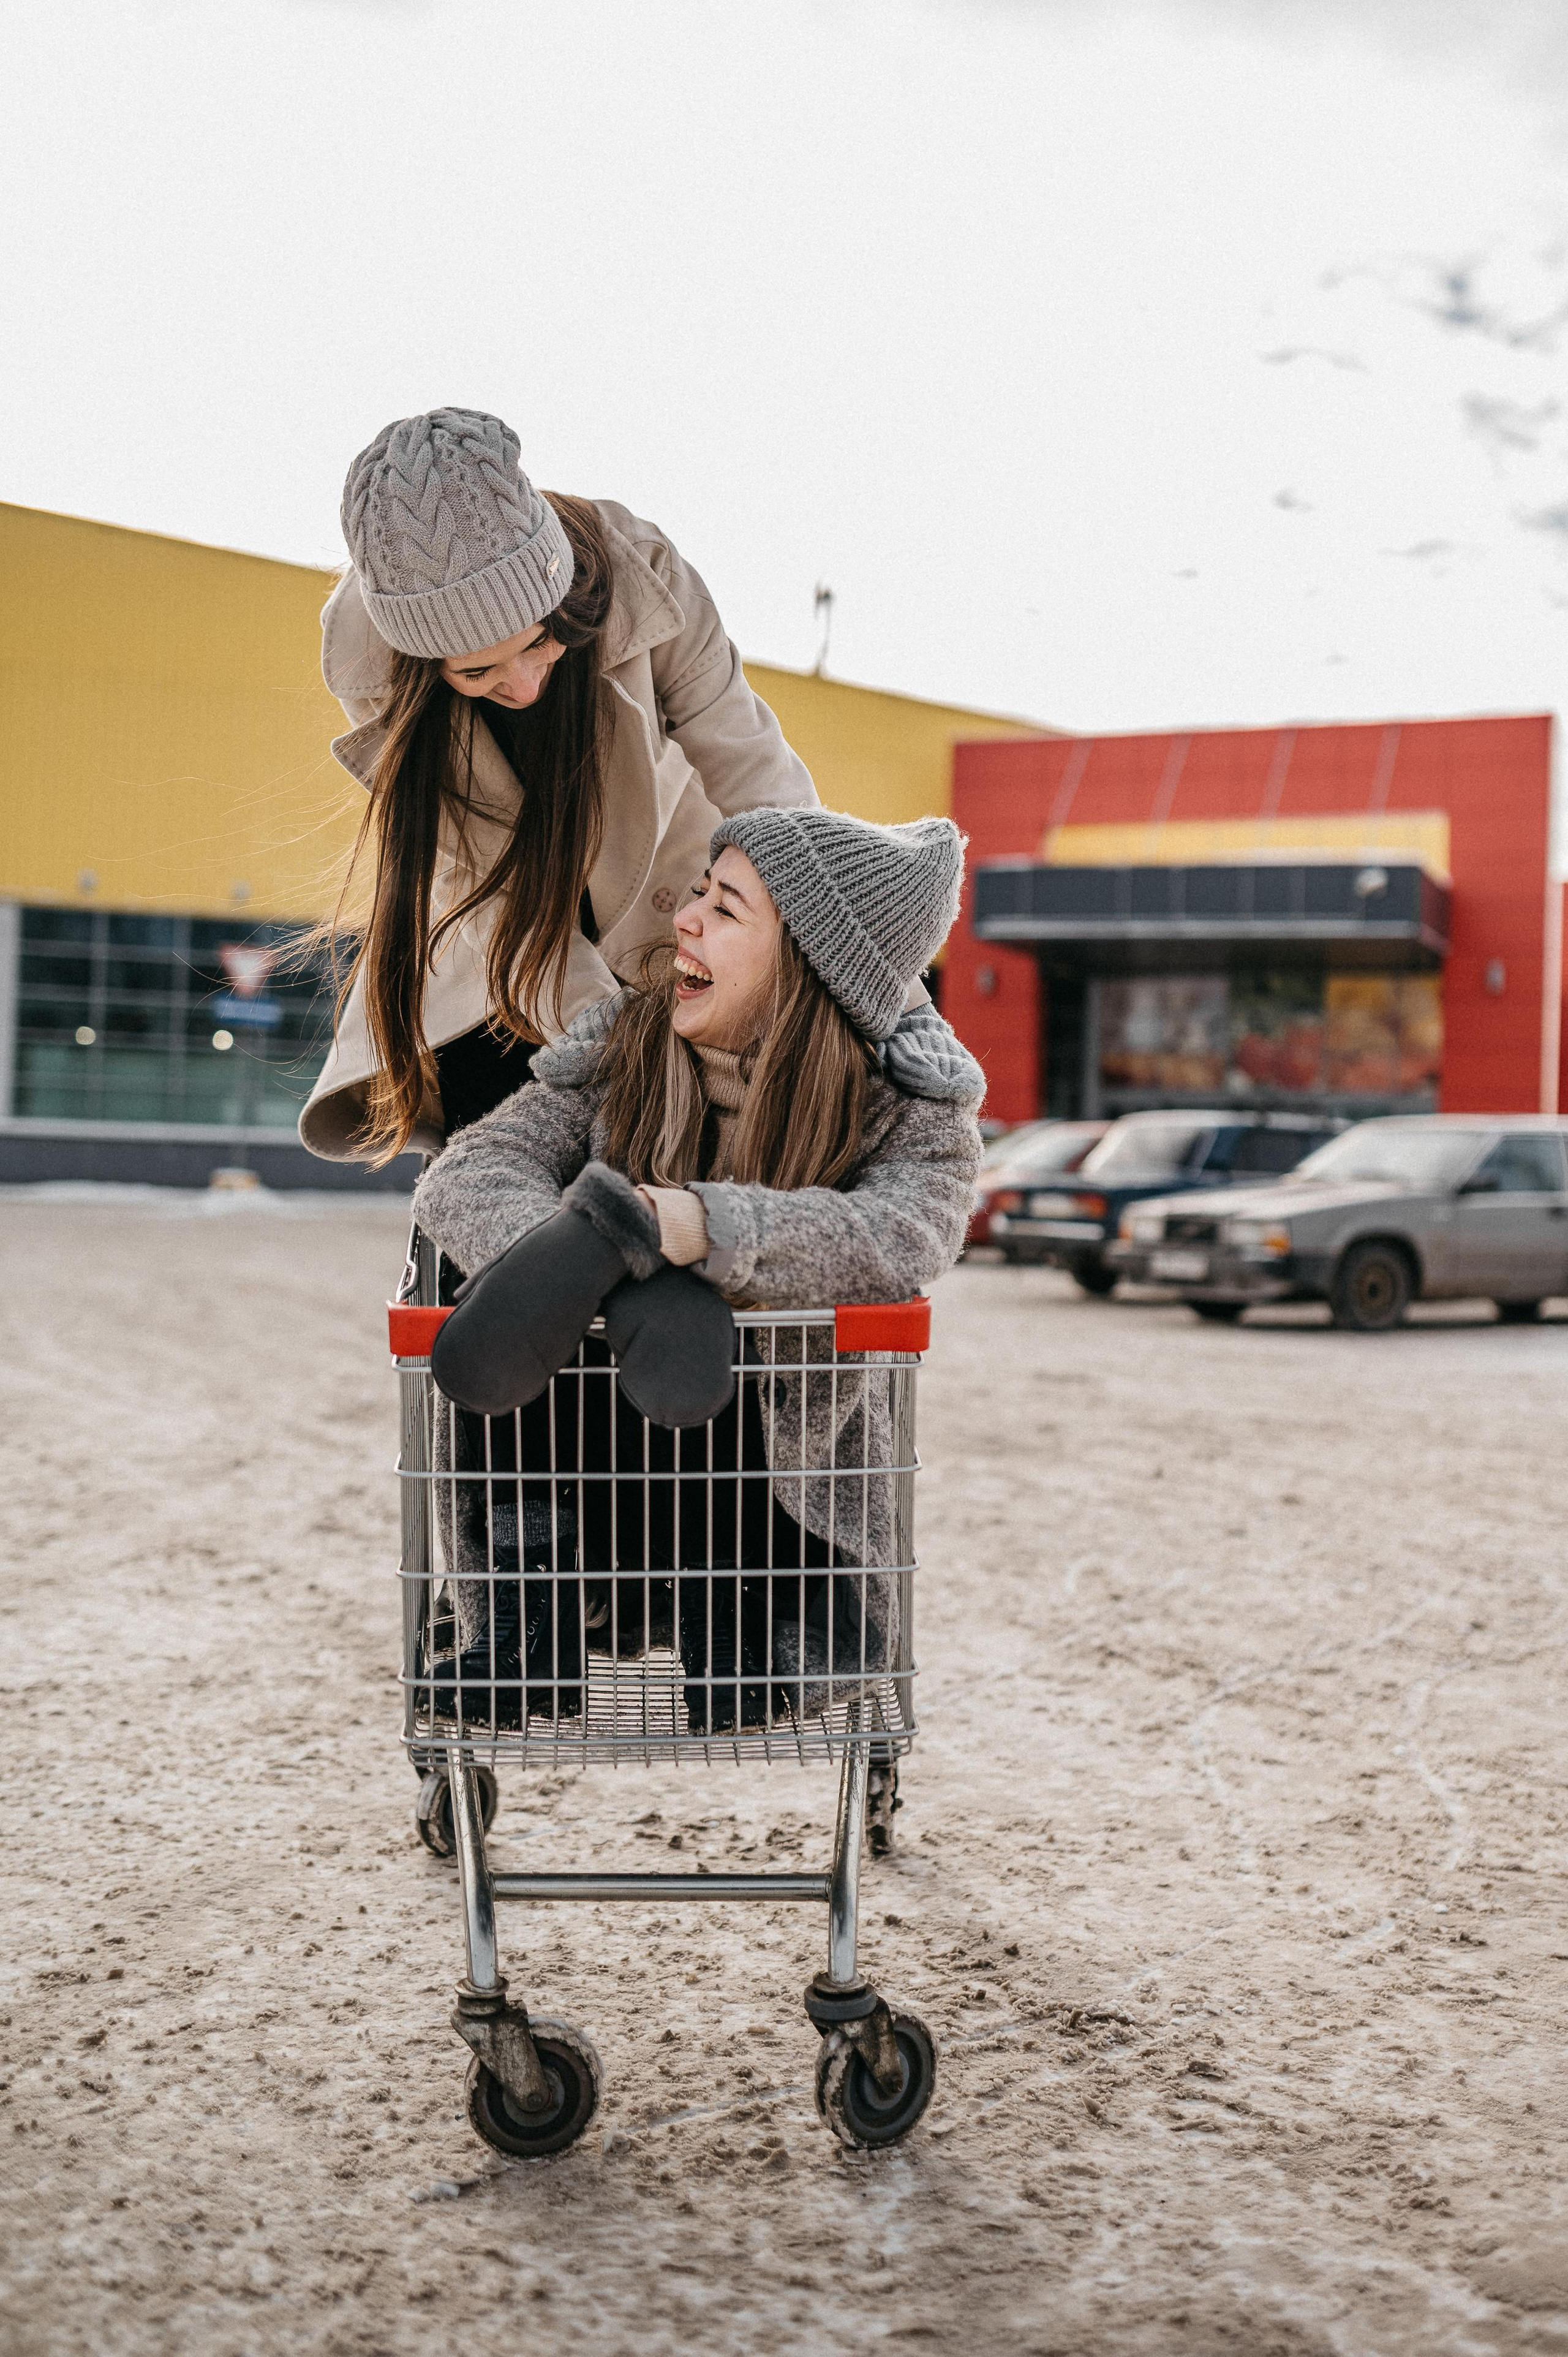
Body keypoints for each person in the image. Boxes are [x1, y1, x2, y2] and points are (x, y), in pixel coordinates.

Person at [409, 804, 986, 1736]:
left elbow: (903, 1235)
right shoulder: (623, 1048)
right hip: (599, 1493)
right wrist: (611, 1258)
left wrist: (694, 1226)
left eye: (725, 908)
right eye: (698, 894)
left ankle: (743, 1636)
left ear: (809, 959)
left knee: (710, 1320)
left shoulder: (908, 1102)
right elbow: (469, 1170)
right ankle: (528, 1638)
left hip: (780, 1516)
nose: (683, 917)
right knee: (538, 1295)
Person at [298, 406, 831, 1166]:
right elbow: (493, 888)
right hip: (501, 956)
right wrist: (615, 1050)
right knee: (509, 1189)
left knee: (691, 1195)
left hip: (662, 914)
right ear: (426, 665)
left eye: (542, 641)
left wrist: (872, 984)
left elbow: (759, 779)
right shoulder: (370, 666)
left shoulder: (645, 572)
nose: (520, 685)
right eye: (476, 671)